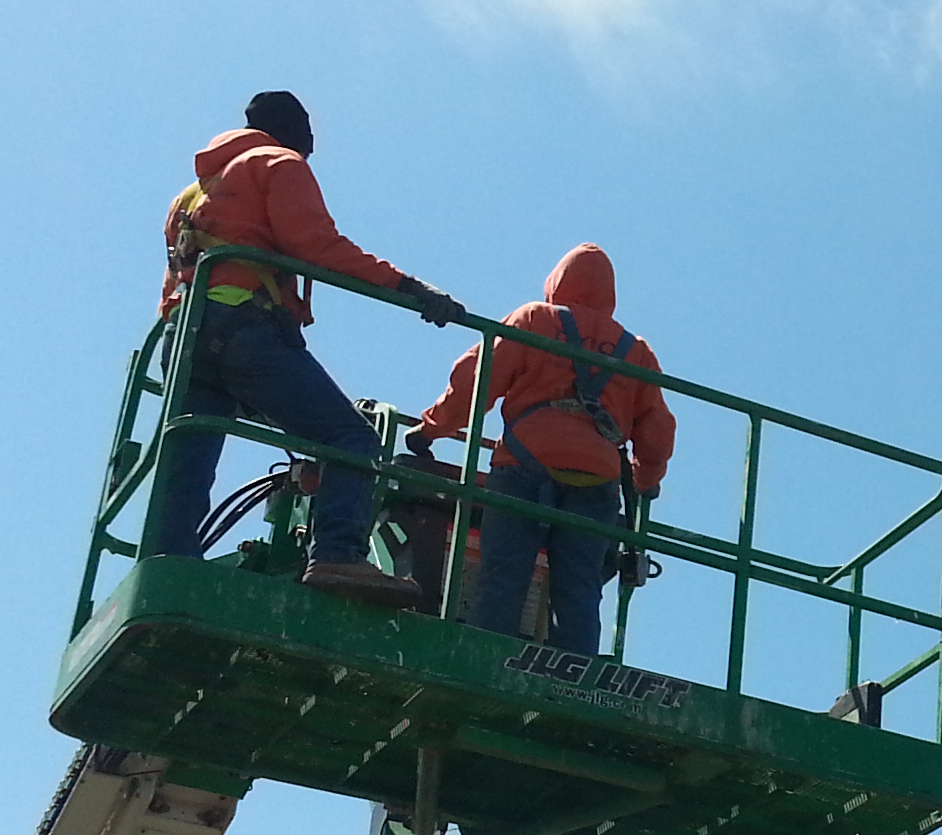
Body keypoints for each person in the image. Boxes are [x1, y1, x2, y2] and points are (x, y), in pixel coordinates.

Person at [146, 90, 463, 603]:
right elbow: (317, 246)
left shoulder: (192, 192)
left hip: (185, 338)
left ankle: (167, 570)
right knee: (351, 439)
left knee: (191, 460)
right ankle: (337, 554)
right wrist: (410, 288)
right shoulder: (279, 163)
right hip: (243, 329)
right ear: (293, 131)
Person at [407, 243, 677, 654]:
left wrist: (429, 430)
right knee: (580, 593)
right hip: (596, 479)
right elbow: (657, 431)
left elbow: (474, 384)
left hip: (523, 465)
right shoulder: (636, 351)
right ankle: (576, 679)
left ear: (556, 283)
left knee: (503, 576)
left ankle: (483, 662)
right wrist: (646, 481)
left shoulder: (534, 319)